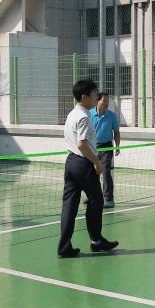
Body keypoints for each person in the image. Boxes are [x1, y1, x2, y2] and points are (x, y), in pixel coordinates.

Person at [57, 78, 119, 258]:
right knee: (96, 200)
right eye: (93, 94)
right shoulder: (84, 117)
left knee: (69, 205)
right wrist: (96, 162)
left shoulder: (72, 114)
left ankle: (64, 247)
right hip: (82, 163)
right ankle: (97, 241)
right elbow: (81, 144)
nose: (96, 97)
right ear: (84, 97)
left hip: (71, 163)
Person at [89, 91, 121, 208]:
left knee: (106, 171)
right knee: (93, 172)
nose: (106, 103)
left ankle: (109, 199)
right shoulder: (89, 114)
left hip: (107, 147)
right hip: (92, 147)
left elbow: (116, 132)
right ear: (97, 101)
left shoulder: (111, 116)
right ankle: (93, 196)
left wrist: (117, 146)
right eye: (104, 100)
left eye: (108, 101)